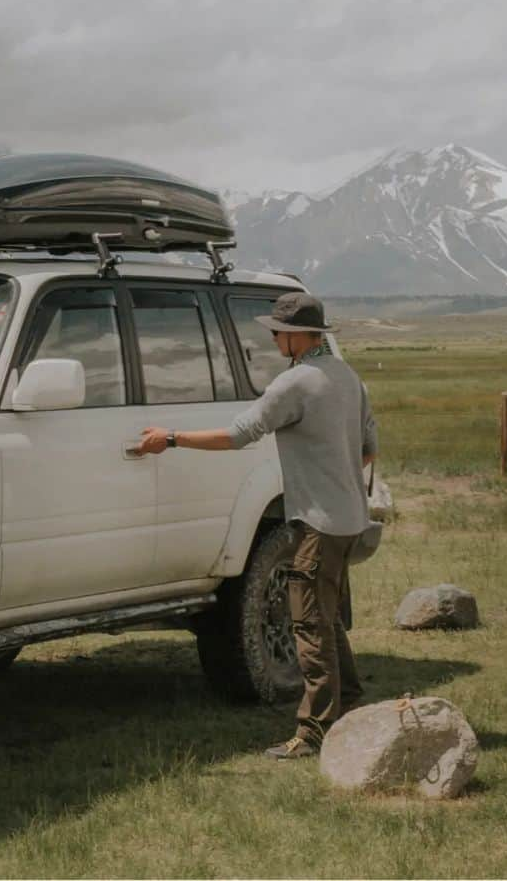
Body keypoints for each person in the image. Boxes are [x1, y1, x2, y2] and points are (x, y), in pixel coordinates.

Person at [135, 290, 377, 760]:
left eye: (278, 332)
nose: (272, 338)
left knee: (308, 622)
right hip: (349, 519)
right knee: (326, 617)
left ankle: (314, 732)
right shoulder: (348, 377)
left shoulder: (295, 384)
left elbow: (238, 435)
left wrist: (171, 438)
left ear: (297, 336)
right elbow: (368, 448)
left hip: (317, 521)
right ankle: (347, 704)